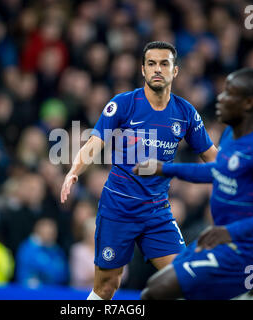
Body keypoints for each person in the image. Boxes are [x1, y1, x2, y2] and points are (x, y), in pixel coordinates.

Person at [60, 41, 218, 300]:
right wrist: (73, 171)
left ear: (175, 71)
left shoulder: (186, 113)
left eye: (164, 64)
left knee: (185, 280)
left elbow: (212, 156)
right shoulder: (123, 104)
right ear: (142, 70)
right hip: (118, 208)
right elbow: (94, 143)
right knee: (107, 286)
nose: (157, 69)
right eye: (151, 64)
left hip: (157, 211)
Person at [134, 68, 253, 300]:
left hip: (248, 254)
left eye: (229, 93)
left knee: (156, 292)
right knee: (162, 288)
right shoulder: (231, 134)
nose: (220, 98)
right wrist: (164, 168)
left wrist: (230, 232)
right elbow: (219, 170)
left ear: (249, 102)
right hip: (223, 242)